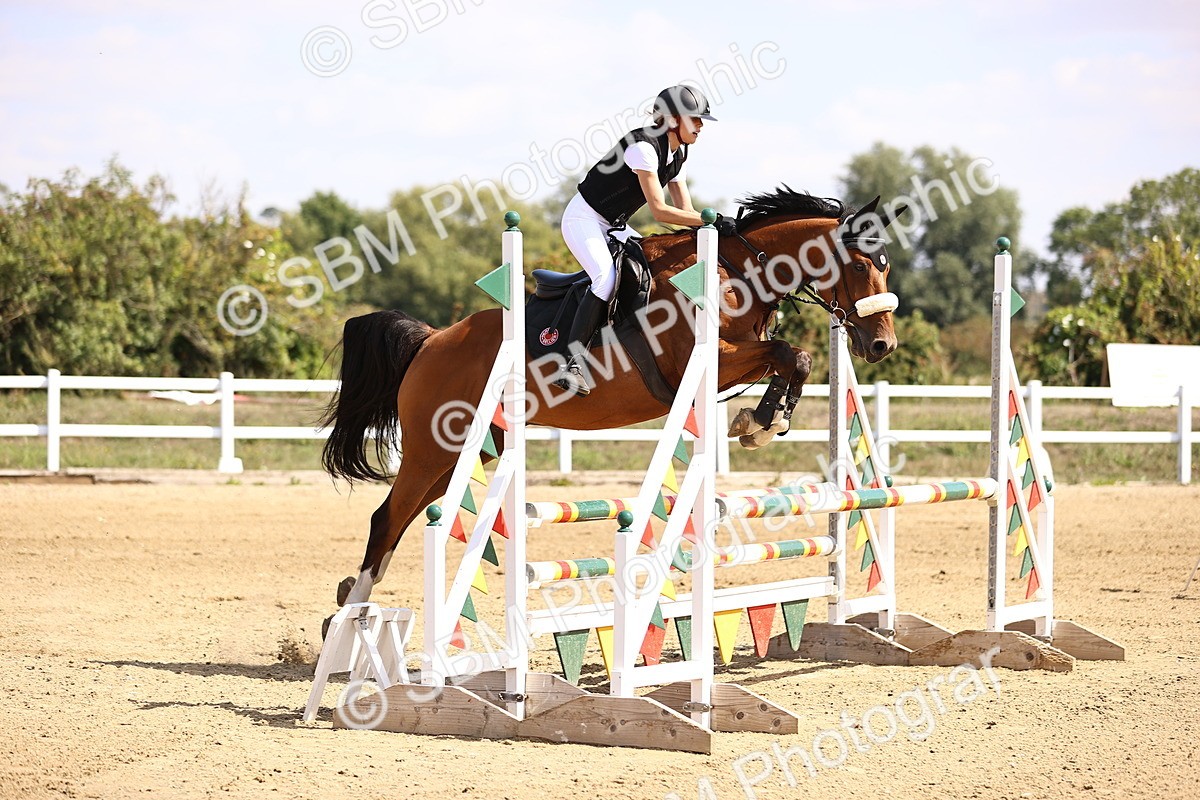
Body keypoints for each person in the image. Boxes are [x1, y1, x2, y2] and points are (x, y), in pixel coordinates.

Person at [554, 84, 735, 396]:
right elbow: (661, 211)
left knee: (652, 270)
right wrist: (715, 220)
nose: (701, 126)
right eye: (696, 119)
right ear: (674, 119)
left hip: (614, 224)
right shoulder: (644, 147)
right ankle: (571, 363)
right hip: (583, 219)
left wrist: (710, 228)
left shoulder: (679, 152)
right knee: (605, 278)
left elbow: (686, 210)